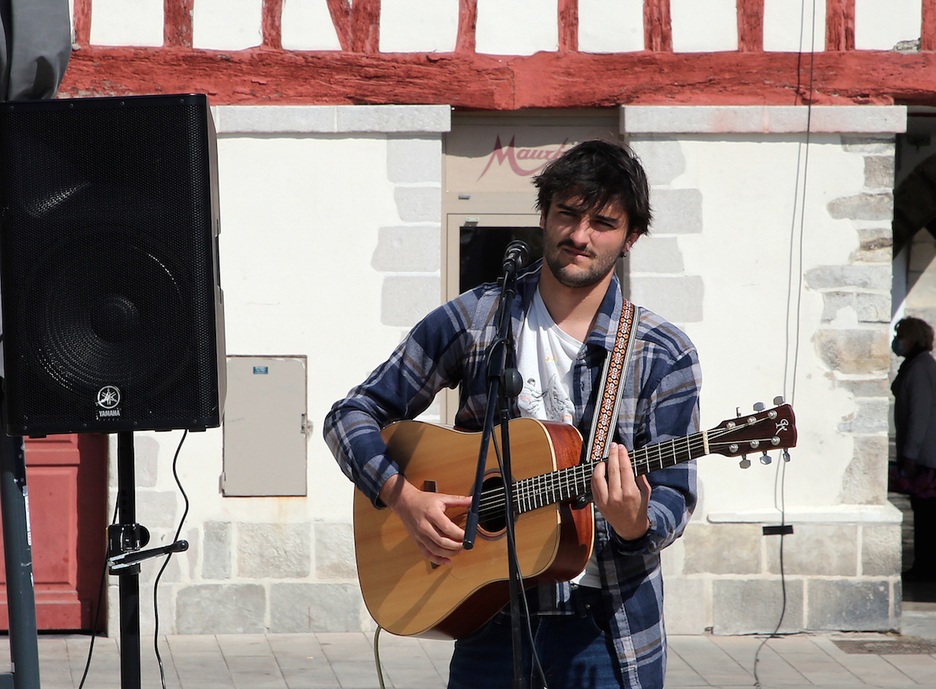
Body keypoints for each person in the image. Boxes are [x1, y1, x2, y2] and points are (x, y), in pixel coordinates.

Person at [324, 139, 701, 689]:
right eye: (567, 214)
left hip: (605, 626)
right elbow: (351, 414)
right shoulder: (478, 317)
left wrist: (634, 521)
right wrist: (403, 497)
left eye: (603, 223)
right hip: (487, 612)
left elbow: (674, 495)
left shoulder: (663, 352)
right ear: (543, 216)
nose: (580, 236)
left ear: (631, 238)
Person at [891, 316, 936, 581]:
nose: (897, 342)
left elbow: (918, 415)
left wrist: (910, 454)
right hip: (923, 453)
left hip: (924, 456)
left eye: (901, 337)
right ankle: (924, 564)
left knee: (926, 515)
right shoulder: (916, 365)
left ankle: (926, 566)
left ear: (912, 339)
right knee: (923, 513)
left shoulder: (920, 369)